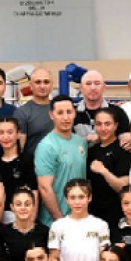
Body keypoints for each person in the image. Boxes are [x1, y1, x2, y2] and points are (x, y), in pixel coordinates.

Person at [48, 179, 112, 261]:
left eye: (81, 197)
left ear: (89, 198)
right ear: (66, 200)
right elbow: (52, 260)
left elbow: (106, 257)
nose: (77, 202)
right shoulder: (58, 226)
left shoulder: (100, 225)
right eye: (72, 197)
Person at [35, 94, 89, 227]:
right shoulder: (47, 146)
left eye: (69, 112)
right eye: (60, 113)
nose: (65, 117)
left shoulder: (81, 142)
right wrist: (61, 222)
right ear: (51, 115)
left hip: (79, 219)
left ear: (74, 113)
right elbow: (45, 188)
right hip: (54, 222)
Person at [86, 106, 131, 228]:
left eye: (107, 124)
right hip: (93, 213)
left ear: (116, 126)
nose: (103, 128)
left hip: (116, 214)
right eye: (99, 124)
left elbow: (123, 187)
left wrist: (104, 171)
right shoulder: (92, 151)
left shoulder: (123, 151)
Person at [0, 186, 50, 261]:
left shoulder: (44, 231)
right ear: (12, 207)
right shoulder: (3, 233)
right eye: (18, 204)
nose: (23, 208)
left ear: (34, 206)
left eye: (27, 204)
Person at [73, 69, 131, 148]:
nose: (93, 87)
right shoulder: (71, 113)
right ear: (81, 88)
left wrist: (128, 141)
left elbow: (126, 139)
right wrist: (85, 140)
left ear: (104, 87)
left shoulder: (118, 112)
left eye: (97, 83)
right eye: (88, 83)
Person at [0, 116, 38, 225]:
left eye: (10, 132)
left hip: (23, 217)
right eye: (1, 133)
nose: (5, 137)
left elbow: (34, 191)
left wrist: (31, 221)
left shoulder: (27, 160)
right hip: (0, 217)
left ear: (18, 134)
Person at [15, 67, 55, 159]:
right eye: (38, 82)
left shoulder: (60, 110)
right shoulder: (22, 112)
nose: (42, 86)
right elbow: (19, 148)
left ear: (52, 85)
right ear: (31, 86)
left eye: (46, 82)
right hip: (33, 165)